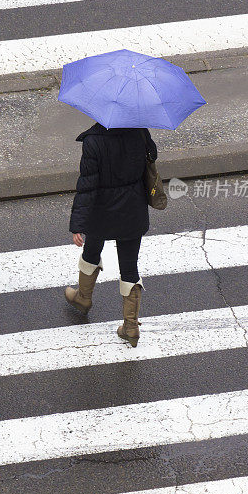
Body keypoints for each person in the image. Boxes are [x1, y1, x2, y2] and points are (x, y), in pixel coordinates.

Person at [64, 120, 157, 347]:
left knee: (92, 249)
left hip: (101, 211)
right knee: (129, 265)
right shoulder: (139, 131)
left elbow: (87, 185)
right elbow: (152, 155)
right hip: (132, 209)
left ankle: (83, 298)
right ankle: (131, 326)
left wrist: (78, 224)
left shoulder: (93, 141)